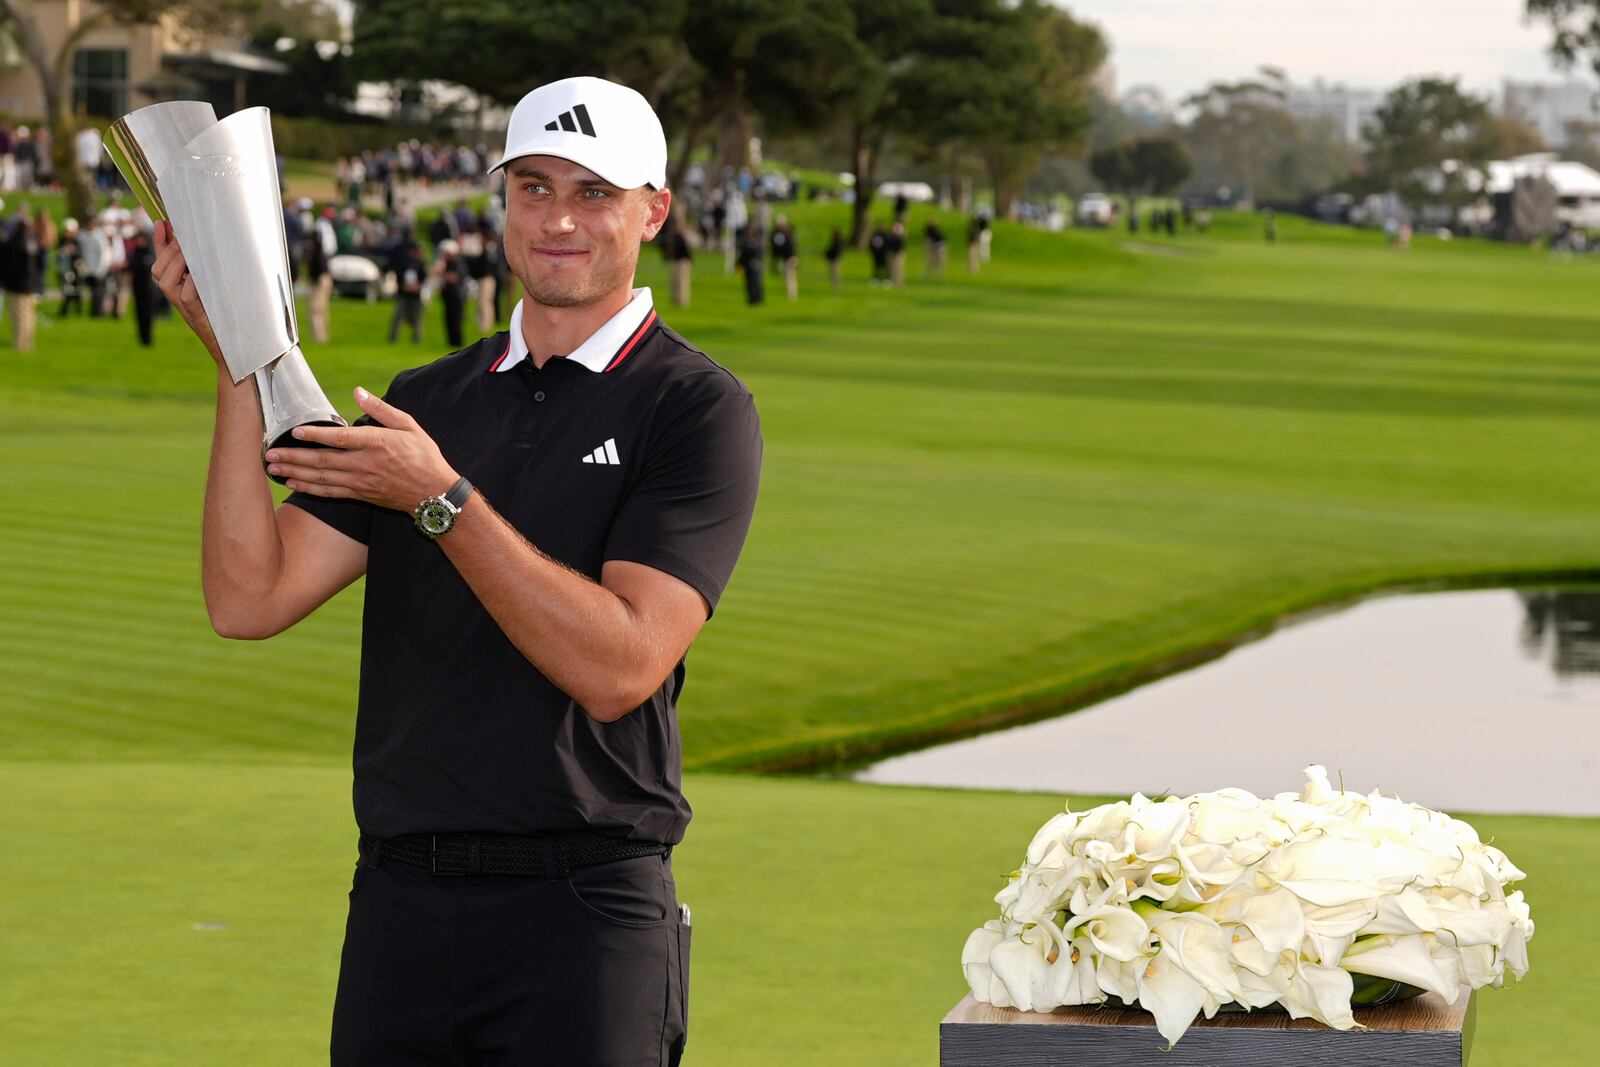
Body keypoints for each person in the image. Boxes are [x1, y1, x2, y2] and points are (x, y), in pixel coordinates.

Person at [152, 73, 759, 1065]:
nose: (559, 217)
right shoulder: (423, 398)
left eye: (593, 191)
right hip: (401, 901)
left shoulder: (693, 406)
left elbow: (622, 666)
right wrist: (233, 363)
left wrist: (439, 498)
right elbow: (249, 597)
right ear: (502, 201)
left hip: (584, 908)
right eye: (532, 187)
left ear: (654, 209)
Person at [1, 204, 40, 349]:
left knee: (19, 316)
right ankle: (27, 343)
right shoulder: (31, 243)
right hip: (29, 284)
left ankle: (20, 344)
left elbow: (9, 266)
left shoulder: (14, 244)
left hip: (17, 286)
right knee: (29, 316)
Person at [388, 241, 426, 343]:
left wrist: (417, 286)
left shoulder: (421, 264)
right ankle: (392, 338)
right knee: (398, 316)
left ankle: (416, 339)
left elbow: (424, 278)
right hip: (404, 294)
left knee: (417, 318)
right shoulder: (404, 262)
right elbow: (399, 275)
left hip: (416, 294)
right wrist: (404, 286)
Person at [434, 236, 466, 348]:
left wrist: (441, 274)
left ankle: (457, 343)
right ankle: (451, 343)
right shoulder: (447, 263)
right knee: (448, 320)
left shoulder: (457, 262)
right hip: (447, 296)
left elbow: (454, 278)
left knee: (455, 321)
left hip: (456, 296)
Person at [129, 226, 157, 346]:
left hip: (148, 289)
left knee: (148, 314)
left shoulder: (149, 253)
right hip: (137, 287)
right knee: (139, 313)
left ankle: (148, 338)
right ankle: (141, 338)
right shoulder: (136, 254)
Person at [737, 222, 765, 304]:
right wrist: (739, 264)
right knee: (749, 283)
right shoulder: (746, 243)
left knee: (756, 282)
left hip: (754, 265)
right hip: (747, 266)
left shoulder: (756, 242)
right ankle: (752, 299)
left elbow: (758, 253)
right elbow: (743, 255)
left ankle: (757, 299)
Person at [771, 215, 797, 300]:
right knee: (788, 275)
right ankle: (791, 293)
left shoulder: (788, 233)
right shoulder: (781, 233)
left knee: (789, 275)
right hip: (787, 257)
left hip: (790, 257)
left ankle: (791, 295)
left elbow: (790, 248)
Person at [887, 220, 906, 287]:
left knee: (898, 268)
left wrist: (896, 253)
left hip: (898, 254)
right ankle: (892, 280)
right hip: (891, 253)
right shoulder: (891, 236)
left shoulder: (900, 237)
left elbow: (900, 246)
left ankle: (898, 281)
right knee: (892, 268)